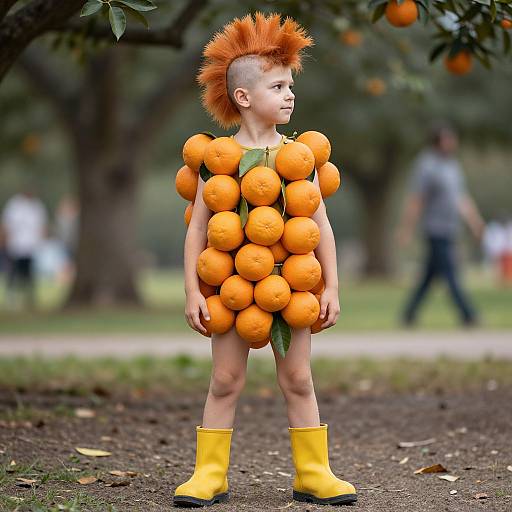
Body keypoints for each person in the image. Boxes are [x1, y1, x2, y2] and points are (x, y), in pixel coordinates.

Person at [173, 12, 357, 507]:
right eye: (278, 86)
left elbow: (321, 229)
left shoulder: (301, 160)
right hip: (232, 287)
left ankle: (313, 473)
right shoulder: (218, 160)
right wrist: (193, 290)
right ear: (244, 97)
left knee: (298, 378)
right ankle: (209, 475)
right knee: (225, 380)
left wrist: (332, 287)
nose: (290, 94)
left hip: (292, 286)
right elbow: (196, 232)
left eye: (291, 85)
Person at [396, 122, 485, 327]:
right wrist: (406, 229)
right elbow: (416, 199)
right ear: (438, 141)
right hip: (435, 229)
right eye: (448, 139)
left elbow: (461, 198)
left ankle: (408, 315)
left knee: (429, 276)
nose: (453, 142)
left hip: (450, 227)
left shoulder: (452, 166)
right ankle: (468, 315)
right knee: (451, 273)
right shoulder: (426, 165)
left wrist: (475, 222)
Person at [1, 186, 48, 310]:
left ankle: (30, 297)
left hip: (31, 246)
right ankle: (11, 296)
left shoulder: (37, 206)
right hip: (16, 245)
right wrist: (4, 241)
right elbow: (6, 225)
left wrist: (42, 242)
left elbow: (42, 226)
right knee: (13, 272)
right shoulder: (14, 205)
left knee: (29, 273)